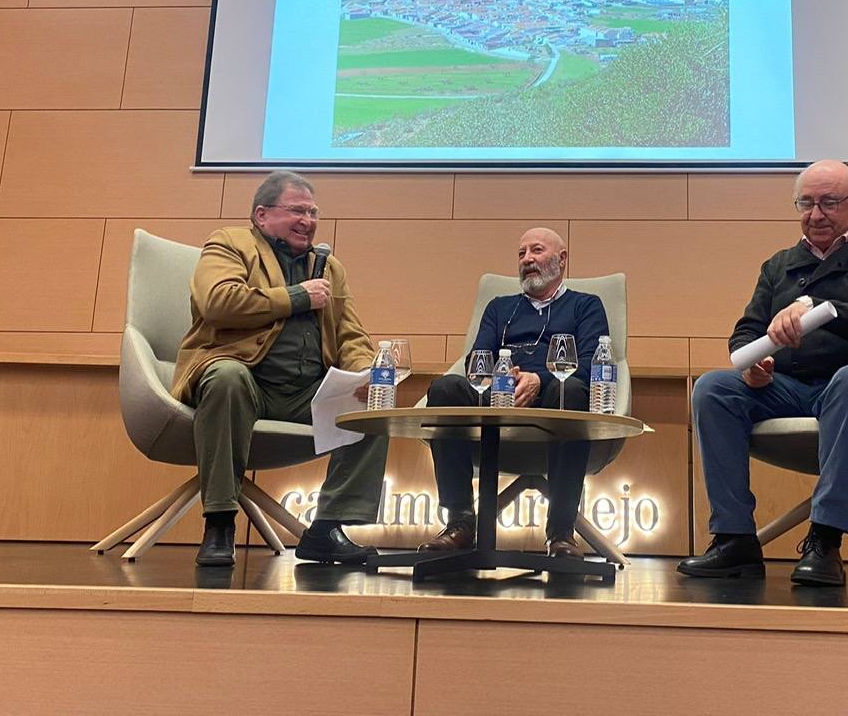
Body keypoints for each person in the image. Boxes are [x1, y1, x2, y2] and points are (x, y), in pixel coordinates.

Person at [678, 160, 848, 585]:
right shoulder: (779, 265)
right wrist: (753, 360)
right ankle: (734, 539)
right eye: (805, 203)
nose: (815, 214)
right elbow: (747, 331)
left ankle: (825, 540)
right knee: (714, 388)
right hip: (795, 388)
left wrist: (816, 310)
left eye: (829, 202)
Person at [170, 170, 388, 567]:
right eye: (297, 210)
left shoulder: (328, 266)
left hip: (306, 392)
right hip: (246, 380)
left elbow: (351, 334)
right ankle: (219, 522)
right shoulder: (229, 244)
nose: (308, 220)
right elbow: (218, 302)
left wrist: (363, 374)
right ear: (262, 215)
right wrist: (296, 297)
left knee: (373, 407)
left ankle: (327, 528)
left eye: (313, 211)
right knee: (226, 377)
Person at [419, 227, 608, 558]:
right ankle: (460, 521)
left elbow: (593, 366)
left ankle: (561, 532)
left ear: (562, 259)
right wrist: (505, 379)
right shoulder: (499, 307)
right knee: (445, 388)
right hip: (497, 396)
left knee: (574, 390)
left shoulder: (585, 306)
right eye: (521, 254)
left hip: (555, 402)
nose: (527, 260)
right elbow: (477, 361)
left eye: (536, 251)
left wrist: (540, 380)